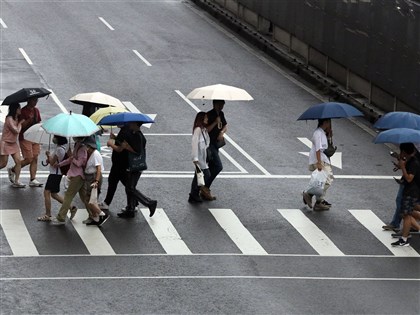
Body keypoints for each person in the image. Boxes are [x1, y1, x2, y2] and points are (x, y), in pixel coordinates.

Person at [107, 122, 157, 218]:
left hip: (134, 166)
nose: (130, 124)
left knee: (130, 188)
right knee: (129, 187)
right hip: (135, 166)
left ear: (136, 125)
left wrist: (126, 147)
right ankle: (130, 209)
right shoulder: (136, 134)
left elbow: (137, 151)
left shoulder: (138, 136)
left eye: (132, 123)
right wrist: (116, 139)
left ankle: (149, 202)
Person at [37, 135, 77, 221]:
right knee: (54, 194)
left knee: (46, 192)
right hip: (57, 174)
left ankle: (48, 214)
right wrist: (50, 159)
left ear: (58, 139)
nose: (53, 138)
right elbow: (55, 161)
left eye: (55, 137)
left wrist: (48, 156)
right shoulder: (61, 147)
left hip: (55, 174)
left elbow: (52, 163)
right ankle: (71, 207)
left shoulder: (59, 149)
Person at [51, 137, 88, 225]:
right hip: (76, 174)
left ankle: (61, 217)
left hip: (78, 175)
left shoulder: (82, 148)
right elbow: (70, 159)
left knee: (68, 195)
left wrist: (72, 157)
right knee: (84, 197)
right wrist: (59, 164)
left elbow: (79, 163)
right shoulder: (77, 145)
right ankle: (95, 214)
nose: (73, 137)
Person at [8, 97, 43, 187]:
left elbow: (39, 122)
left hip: (35, 136)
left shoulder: (36, 111)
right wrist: (28, 120)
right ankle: (13, 170)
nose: (35, 102)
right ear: (28, 100)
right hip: (25, 137)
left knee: (35, 157)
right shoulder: (22, 111)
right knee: (29, 159)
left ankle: (33, 179)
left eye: (36, 100)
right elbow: (21, 126)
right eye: (34, 100)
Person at [391, 143, 420, 246]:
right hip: (411, 191)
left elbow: (409, 178)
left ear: (404, 151)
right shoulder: (410, 161)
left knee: (406, 214)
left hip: (412, 192)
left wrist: (402, 167)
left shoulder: (414, 162)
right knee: (408, 212)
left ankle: (404, 238)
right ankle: (405, 237)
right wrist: (401, 165)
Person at [302, 118, 334, 211]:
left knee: (322, 182)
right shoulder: (318, 133)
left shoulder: (322, 133)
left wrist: (329, 136)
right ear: (325, 122)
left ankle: (318, 201)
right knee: (327, 181)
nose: (330, 124)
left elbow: (324, 147)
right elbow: (318, 149)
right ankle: (309, 194)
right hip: (319, 160)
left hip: (323, 159)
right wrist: (319, 163)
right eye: (329, 122)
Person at [99, 125, 130, 212]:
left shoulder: (124, 132)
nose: (117, 123)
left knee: (114, 181)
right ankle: (133, 203)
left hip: (119, 163)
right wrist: (115, 138)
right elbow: (122, 143)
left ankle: (106, 203)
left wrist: (111, 144)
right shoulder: (124, 130)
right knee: (125, 183)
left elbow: (120, 149)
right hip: (120, 163)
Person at [82, 136, 109, 226]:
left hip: (94, 178)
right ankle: (95, 217)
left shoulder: (95, 154)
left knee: (90, 199)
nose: (85, 147)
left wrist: (96, 181)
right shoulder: (89, 154)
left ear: (90, 146)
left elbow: (98, 169)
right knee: (89, 198)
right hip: (90, 177)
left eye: (86, 146)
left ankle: (101, 214)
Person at [205, 99, 228, 200]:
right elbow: (206, 130)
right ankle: (204, 187)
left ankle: (204, 189)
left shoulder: (221, 114)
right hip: (209, 144)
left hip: (215, 144)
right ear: (214, 104)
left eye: (222, 104)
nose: (221, 106)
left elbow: (225, 125)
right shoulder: (209, 115)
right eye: (219, 104)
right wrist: (215, 122)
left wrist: (222, 132)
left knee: (210, 166)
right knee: (218, 166)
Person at [0, 102, 26, 188]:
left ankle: (16, 181)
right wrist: (20, 124)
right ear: (15, 109)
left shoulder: (17, 118)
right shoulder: (9, 119)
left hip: (13, 143)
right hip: (6, 143)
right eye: (19, 108)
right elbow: (16, 130)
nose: (20, 110)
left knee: (18, 162)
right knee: (3, 164)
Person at [189, 112, 211, 203]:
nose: (207, 119)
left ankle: (194, 194)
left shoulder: (204, 130)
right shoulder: (198, 130)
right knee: (204, 175)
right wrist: (195, 158)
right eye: (205, 118)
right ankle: (194, 194)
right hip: (199, 158)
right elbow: (194, 144)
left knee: (198, 176)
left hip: (203, 157)